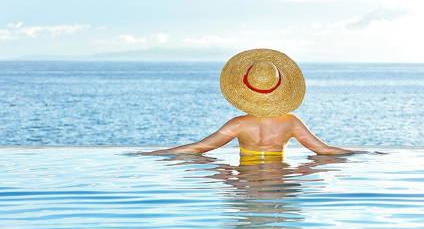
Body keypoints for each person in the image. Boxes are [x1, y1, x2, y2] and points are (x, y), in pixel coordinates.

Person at [141, 48, 367, 157]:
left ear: (245, 87)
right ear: (280, 87)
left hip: (244, 185)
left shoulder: (238, 124)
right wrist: (361, 154)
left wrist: (153, 154)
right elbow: (323, 151)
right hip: (281, 185)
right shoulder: (291, 123)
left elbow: (199, 149)